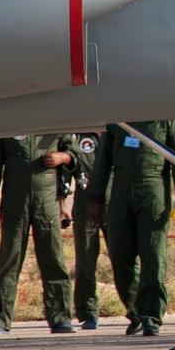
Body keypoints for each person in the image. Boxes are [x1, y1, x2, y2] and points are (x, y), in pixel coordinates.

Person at [88, 121, 175, 336]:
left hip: (154, 186)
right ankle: (136, 311)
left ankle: (151, 317)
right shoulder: (117, 118)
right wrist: (95, 196)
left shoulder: (166, 118)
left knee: (153, 255)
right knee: (120, 255)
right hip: (121, 187)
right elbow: (103, 159)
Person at [0, 135, 80, 335]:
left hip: (47, 200)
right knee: (9, 259)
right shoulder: (5, 124)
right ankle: (0, 320)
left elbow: (76, 154)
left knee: (53, 259)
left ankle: (60, 318)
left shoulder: (52, 123)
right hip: (14, 200)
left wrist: (63, 157)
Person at [66, 132, 103, 329]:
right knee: (85, 260)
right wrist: (60, 203)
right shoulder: (77, 135)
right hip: (85, 203)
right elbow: (65, 171)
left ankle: (136, 310)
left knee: (125, 259)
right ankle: (88, 312)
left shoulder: (121, 131)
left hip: (116, 200)